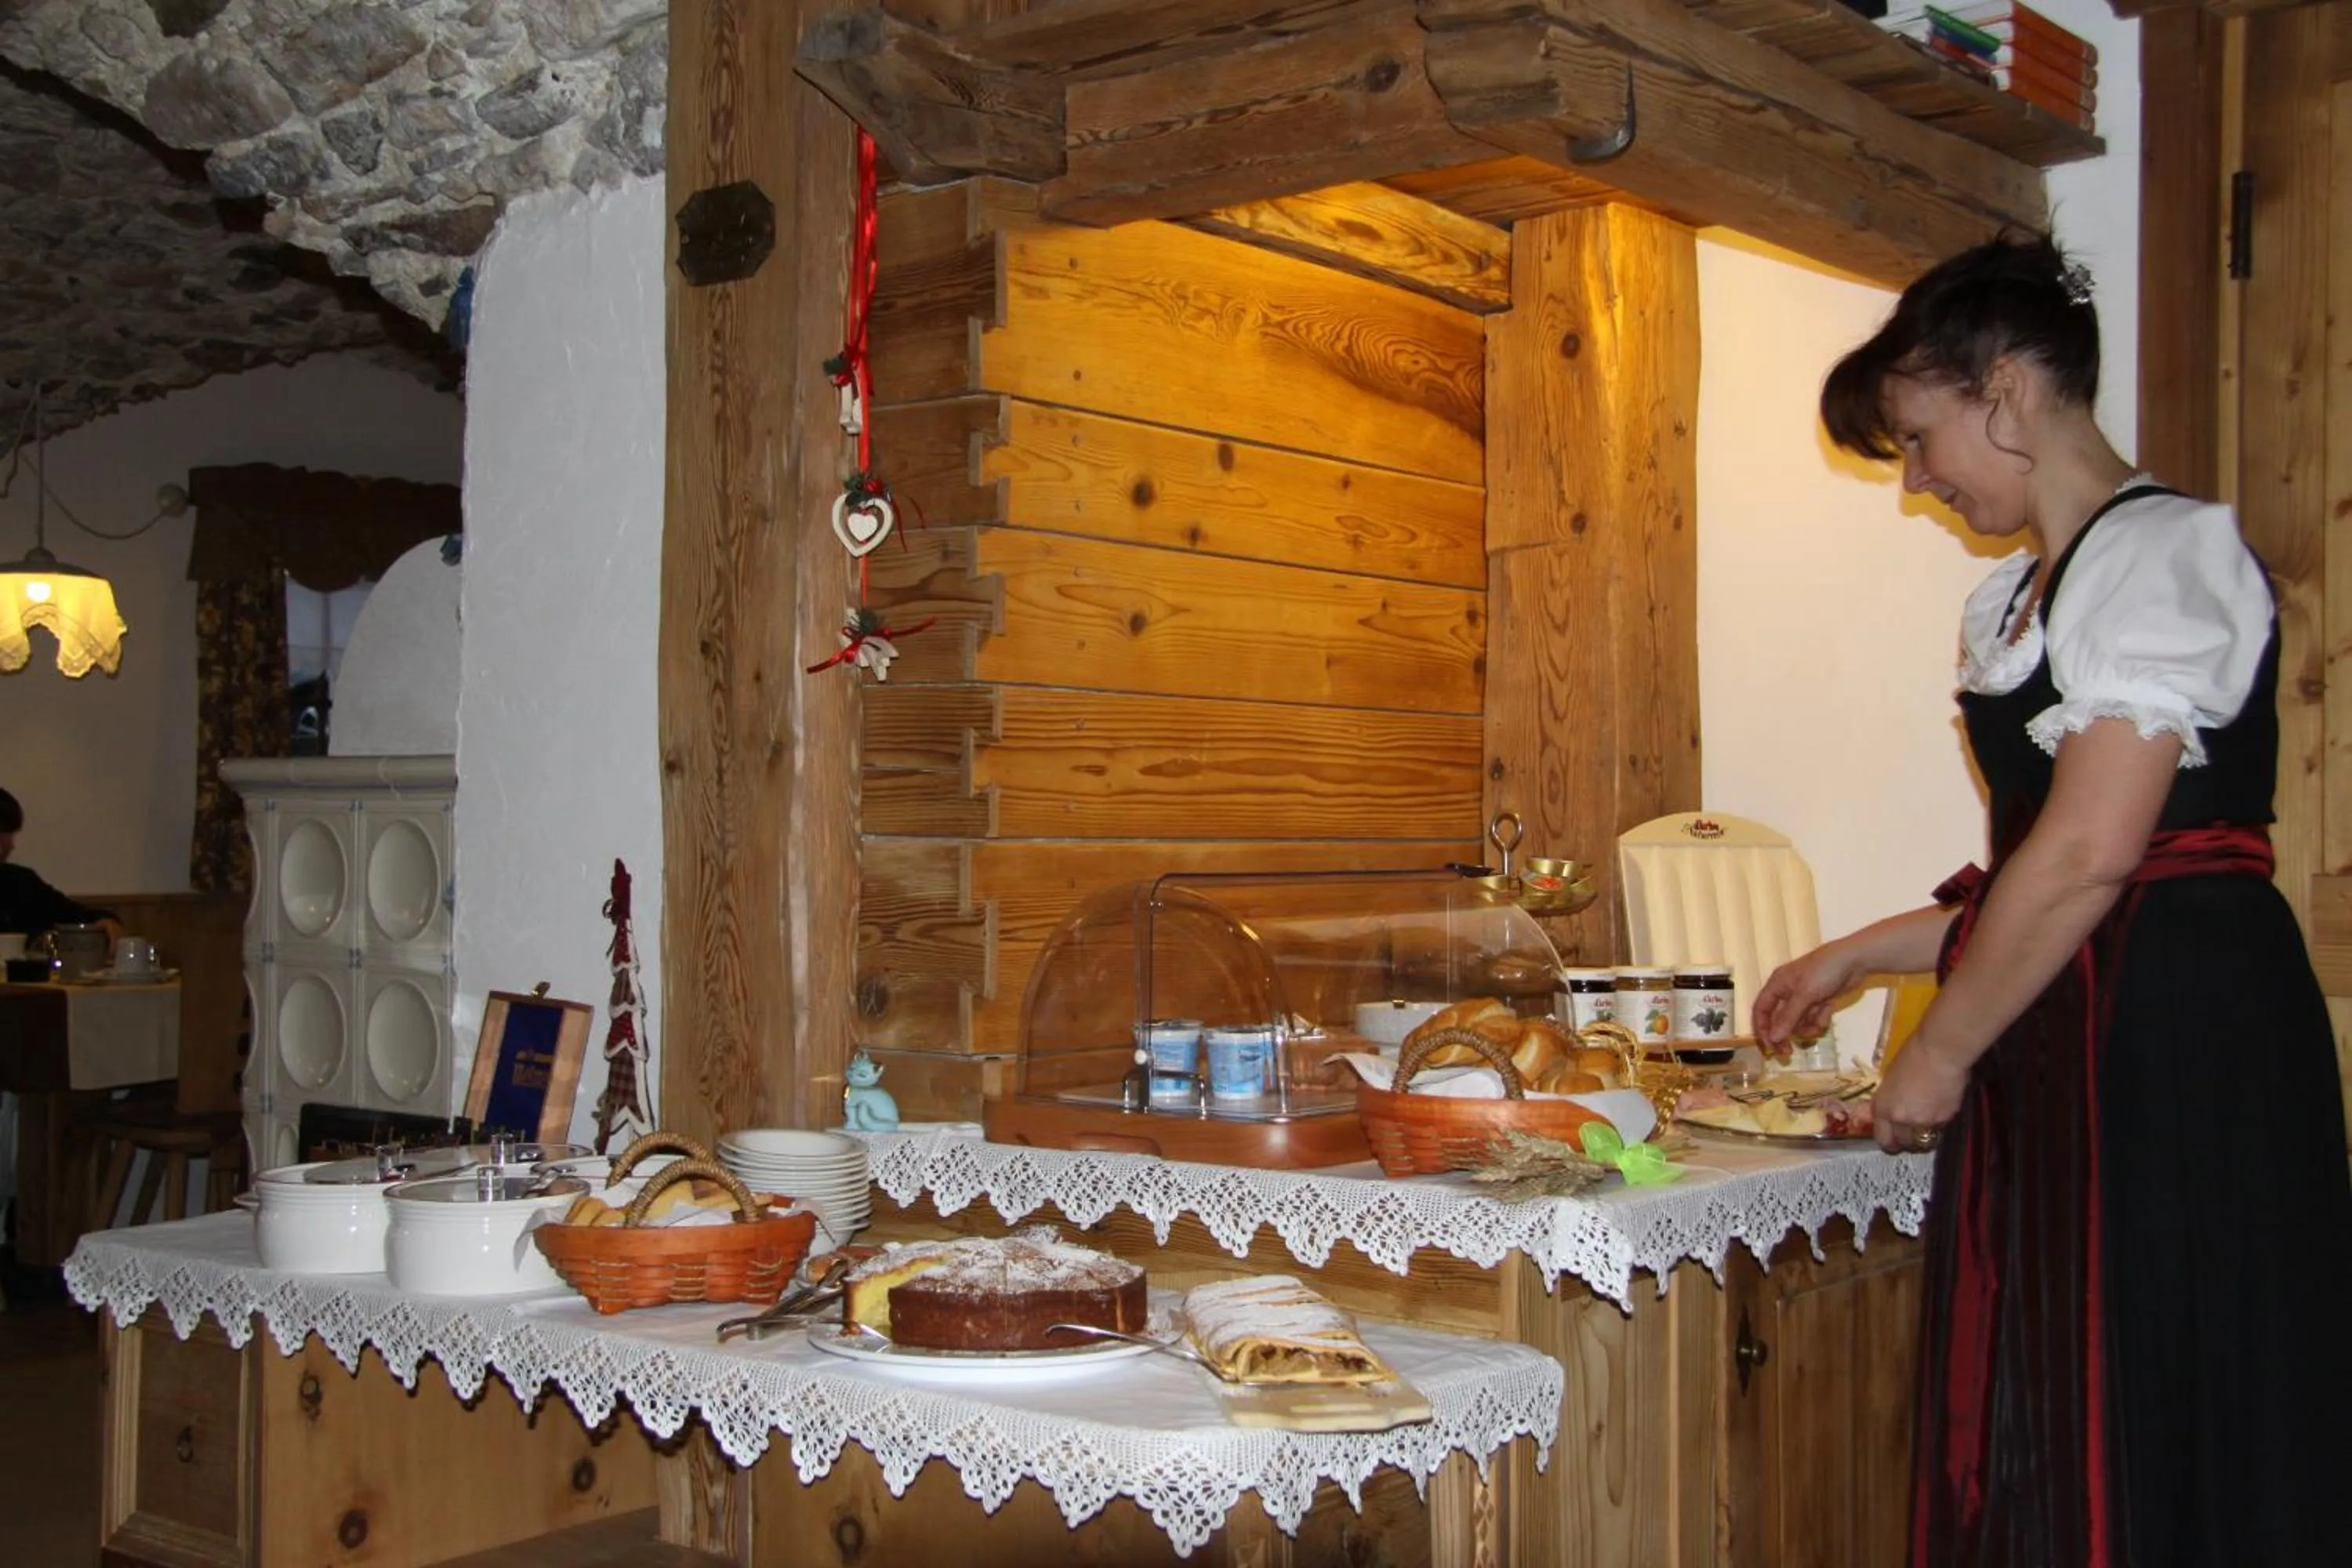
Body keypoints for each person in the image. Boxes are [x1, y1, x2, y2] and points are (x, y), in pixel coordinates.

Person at [1753, 234, 2352, 1567]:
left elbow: (2092, 854)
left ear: (2008, 391)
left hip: (2178, 1037)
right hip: (2088, 1011)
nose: (1916, 479)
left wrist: (1942, 1048)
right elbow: (2044, 867)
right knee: (2070, 1371)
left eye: (1919, 437)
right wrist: (1862, 954)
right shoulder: (2019, 598)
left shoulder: (2162, 556)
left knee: (2173, 1368)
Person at [0, 786, 118, 942]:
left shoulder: (21, 883)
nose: (9, 844)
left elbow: (74, 914)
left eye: (7, 835)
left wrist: (107, 921)